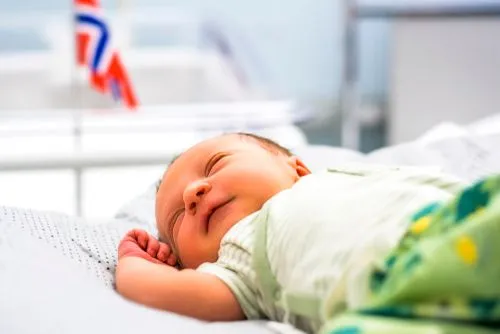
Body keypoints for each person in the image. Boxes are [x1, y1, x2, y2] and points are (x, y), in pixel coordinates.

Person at [116, 133, 500, 334]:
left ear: (296, 168)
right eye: (177, 219)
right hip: (394, 295)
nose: (192, 194)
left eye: (215, 165)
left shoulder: (350, 176)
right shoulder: (240, 255)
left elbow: (446, 186)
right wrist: (134, 262)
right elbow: (172, 294)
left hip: (450, 224)